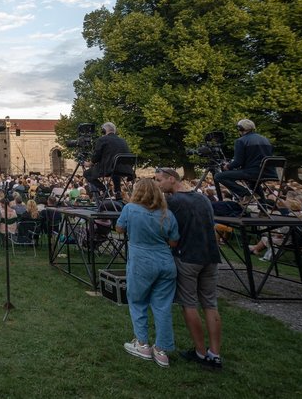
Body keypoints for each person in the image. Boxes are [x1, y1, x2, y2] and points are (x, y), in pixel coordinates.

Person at [154, 168, 223, 370]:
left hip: (188, 257)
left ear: (171, 179)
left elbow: (165, 229)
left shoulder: (173, 202)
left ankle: (201, 352)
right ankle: (215, 353)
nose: (157, 184)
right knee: (210, 304)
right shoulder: (203, 199)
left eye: (159, 180)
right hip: (210, 256)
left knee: (189, 304)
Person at [115, 178, 179, 368]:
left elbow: (119, 228)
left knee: (138, 301)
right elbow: (174, 241)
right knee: (163, 306)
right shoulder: (167, 213)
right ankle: (161, 350)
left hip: (141, 262)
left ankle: (142, 343)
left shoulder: (130, 209)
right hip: (166, 263)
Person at [214, 119, 275, 201]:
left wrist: (228, 166)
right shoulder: (265, 140)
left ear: (240, 129)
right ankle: (263, 209)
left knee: (218, 176)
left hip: (253, 172)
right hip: (268, 172)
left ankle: (246, 194)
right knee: (254, 184)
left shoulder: (241, 141)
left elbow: (238, 162)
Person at [83, 122, 133, 200]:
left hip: (109, 169)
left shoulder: (102, 140)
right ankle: (118, 192)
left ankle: (105, 190)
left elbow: (96, 157)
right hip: (126, 169)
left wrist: (89, 163)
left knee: (86, 174)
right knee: (115, 170)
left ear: (104, 130)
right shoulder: (123, 140)